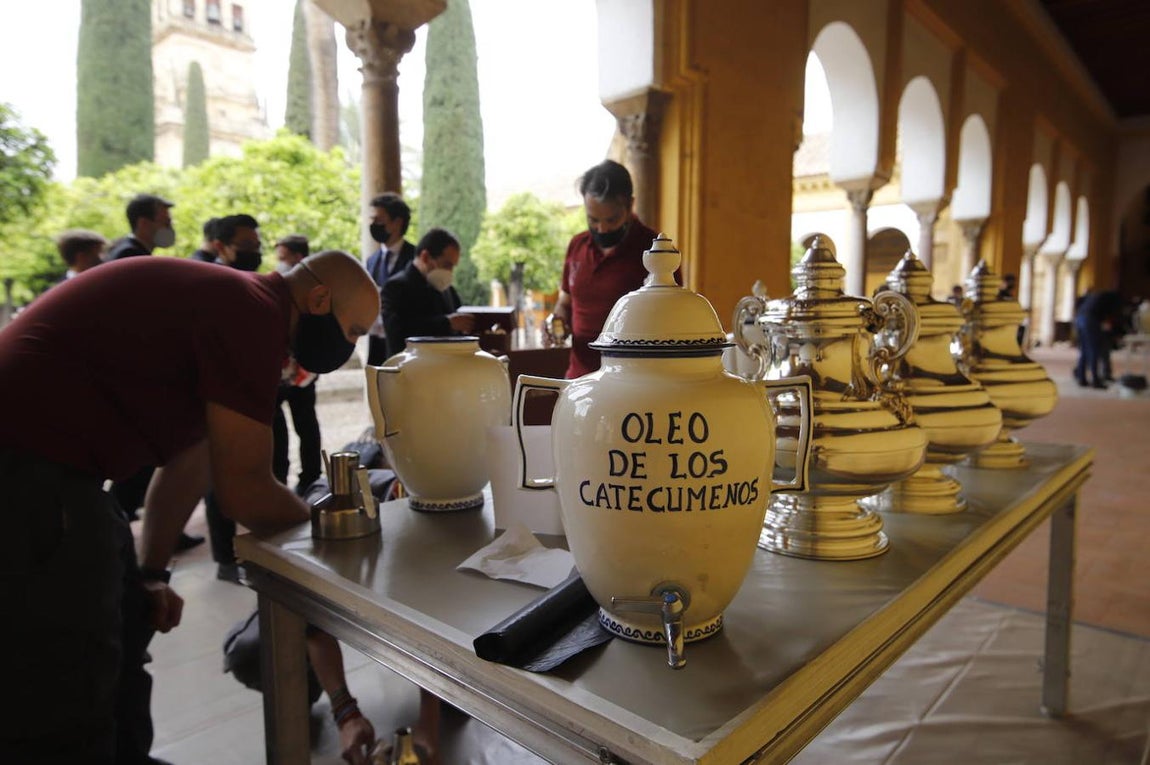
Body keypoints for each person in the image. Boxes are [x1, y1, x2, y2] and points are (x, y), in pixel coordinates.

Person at [0, 250, 379, 764]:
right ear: (317, 299)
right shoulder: (252, 316)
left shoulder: (236, 306)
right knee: (66, 677)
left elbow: (191, 464)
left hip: (66, 476)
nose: (351, 345)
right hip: (29, 474)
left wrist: (153, 572)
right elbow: (243, 487)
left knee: (127, 629)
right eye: (353, 329)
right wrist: (335, 540)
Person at [550, 159, 661, 378]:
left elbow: (668, 322)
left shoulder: (656, 251)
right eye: (593, 220)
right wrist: (556, 322)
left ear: (630, 205)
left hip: (632, 381)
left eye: (612, 220)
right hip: (578, 377)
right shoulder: (577, 246)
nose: (602, 228)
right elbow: (564, 302)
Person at [271, 235, 323, 495]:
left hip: (304, 370)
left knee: (306, 425)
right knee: (276, 430)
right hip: (277, 375)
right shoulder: (276, 289)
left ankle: (311, 478)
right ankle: (277, 479)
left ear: (298, 257)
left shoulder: (316, 291)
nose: (279, 264)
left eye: (283, 258)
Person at [381, 226, 475, 357]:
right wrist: (446, 323)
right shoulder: (395, 288)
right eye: (447, 265)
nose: (450, 272)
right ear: (425, 257)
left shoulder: (447, 289)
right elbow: (398, 335)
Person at [365, 192, 417, 365]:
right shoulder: (372, 261)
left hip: (406, 345)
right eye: (371, 220)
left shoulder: (415, 258)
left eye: (379, 220)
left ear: (397, 222)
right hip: (378, 344)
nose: (373, 225)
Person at [106, 193, 176, 260]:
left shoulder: (124, 249)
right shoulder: (131, 255)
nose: (171, 229)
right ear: (144, 224)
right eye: (166, 223)